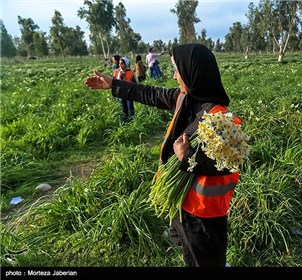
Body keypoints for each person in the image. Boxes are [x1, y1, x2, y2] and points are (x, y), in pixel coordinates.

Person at [85, 43, 242, 267]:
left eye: (177, 70)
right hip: (181, 205)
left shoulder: (222, 119)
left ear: (192, 72)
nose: (175, 76)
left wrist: (186, 156)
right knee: (192, 256)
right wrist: (114, 85)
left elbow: (227, 163)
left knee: (208, 260)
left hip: (203, 213)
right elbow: (152, 94)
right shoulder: (184, 98)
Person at [114, 56, 135, 122]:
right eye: (120, 63)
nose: (120, 65)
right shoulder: (118, 72)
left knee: (130, 107)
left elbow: (131, 82)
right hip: (122, 92)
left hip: (129, 92)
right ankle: (125, 120)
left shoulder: (130, 72)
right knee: (124, 107)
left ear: (126, 63)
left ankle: (132, 120)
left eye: (122, 63)